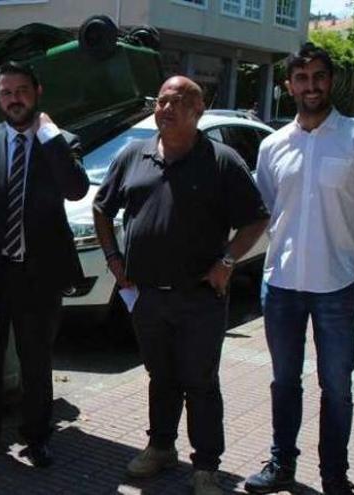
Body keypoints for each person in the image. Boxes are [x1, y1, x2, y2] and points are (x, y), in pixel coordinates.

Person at [93, 76, 268, 495]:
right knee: (161, 376)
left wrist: (227, 261)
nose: (167, 108)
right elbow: (102, 209)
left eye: (179, 102)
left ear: (198, 111)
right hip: (146, 296)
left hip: (199, 298)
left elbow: (256, 218)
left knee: (200, 381)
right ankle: (160, 447)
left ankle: (206, 467)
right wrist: (114, 259)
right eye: (162, 100)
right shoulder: (133, 155)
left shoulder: (221, 160)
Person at [243, 43, 354, 495]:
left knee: (337, 388)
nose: (312, 86)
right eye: (302, 78)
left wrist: (348, 259)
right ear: (290, 86)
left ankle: (334, 475)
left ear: (331, 80)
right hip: (282, 286)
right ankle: (281, 463)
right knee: (284, 381)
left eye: (319, 76)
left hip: (336, 288)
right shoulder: (272, 145)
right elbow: (265, 209)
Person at [0, 61, 89, 468]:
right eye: (6, 92)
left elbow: (75, 188)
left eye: (22, 90)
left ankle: (37, 436)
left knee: (36, 363)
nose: (14, 98)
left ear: (37, 91)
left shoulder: (60, 141)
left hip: (38, 279)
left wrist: (48, 133)